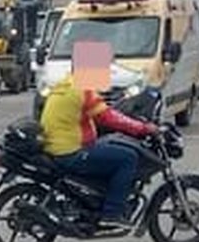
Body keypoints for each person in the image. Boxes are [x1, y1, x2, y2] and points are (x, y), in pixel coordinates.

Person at [39, 74, 158, 229]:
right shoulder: (83, 90)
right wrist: (142, 128)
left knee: (108, 148)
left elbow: (91, 115)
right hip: (71, 151)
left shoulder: (65, 85)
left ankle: (97, 199)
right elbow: (108, 117)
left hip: (55, 146)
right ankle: (112, 213)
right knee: (128, 158)